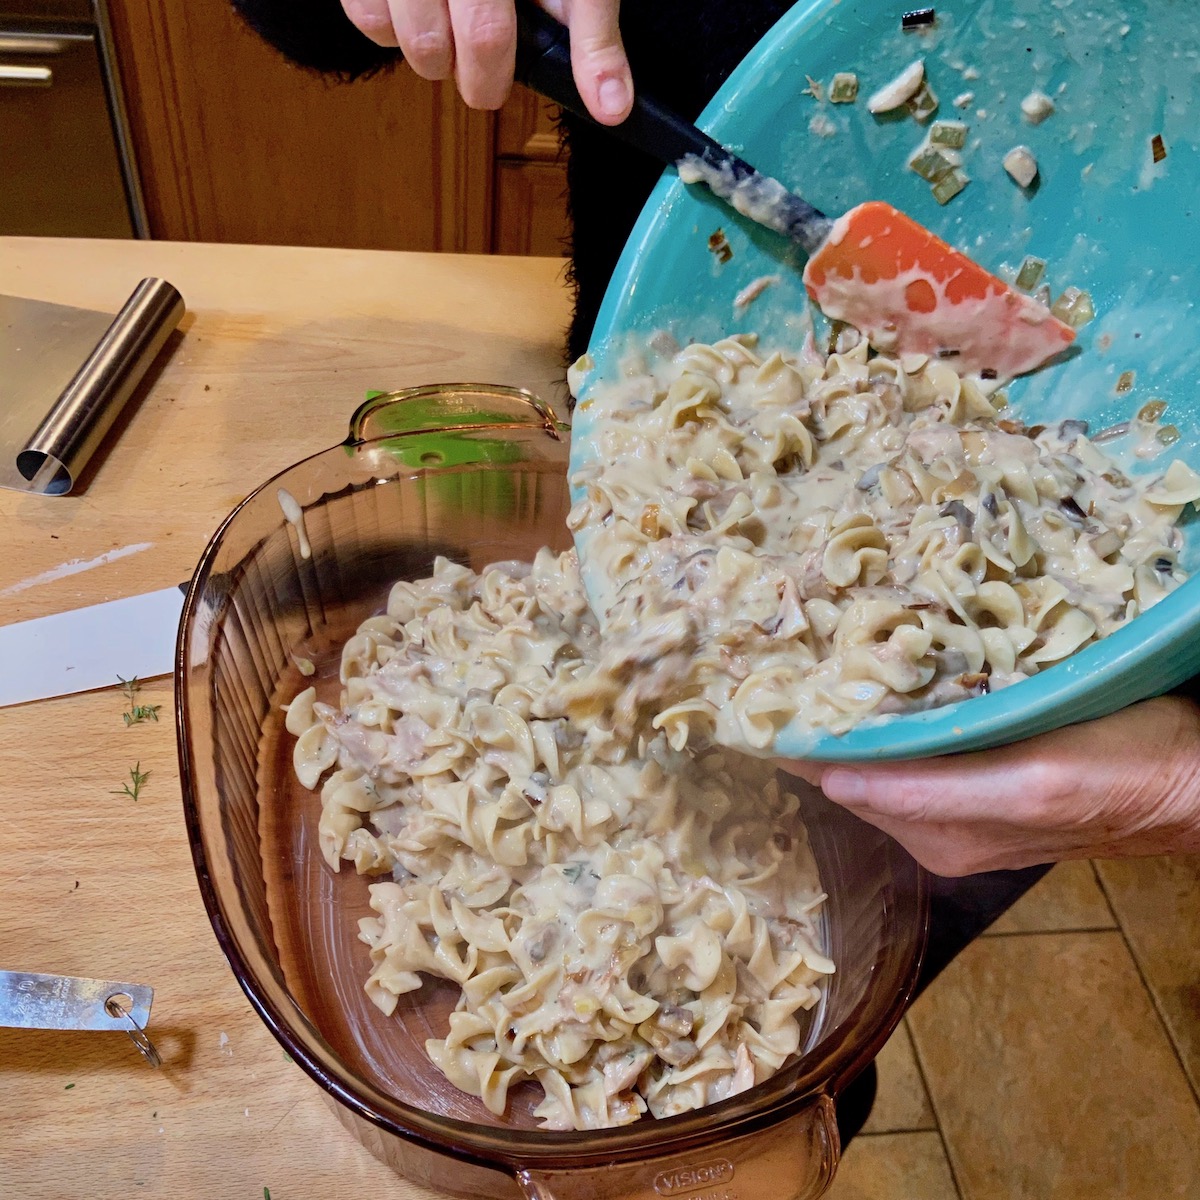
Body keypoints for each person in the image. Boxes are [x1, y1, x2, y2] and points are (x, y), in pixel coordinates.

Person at [233, 0, 1200, 1137]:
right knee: (794, 1043)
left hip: (1091, 686)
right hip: (649, 441)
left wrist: (1181, 796)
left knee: (815, 1022)